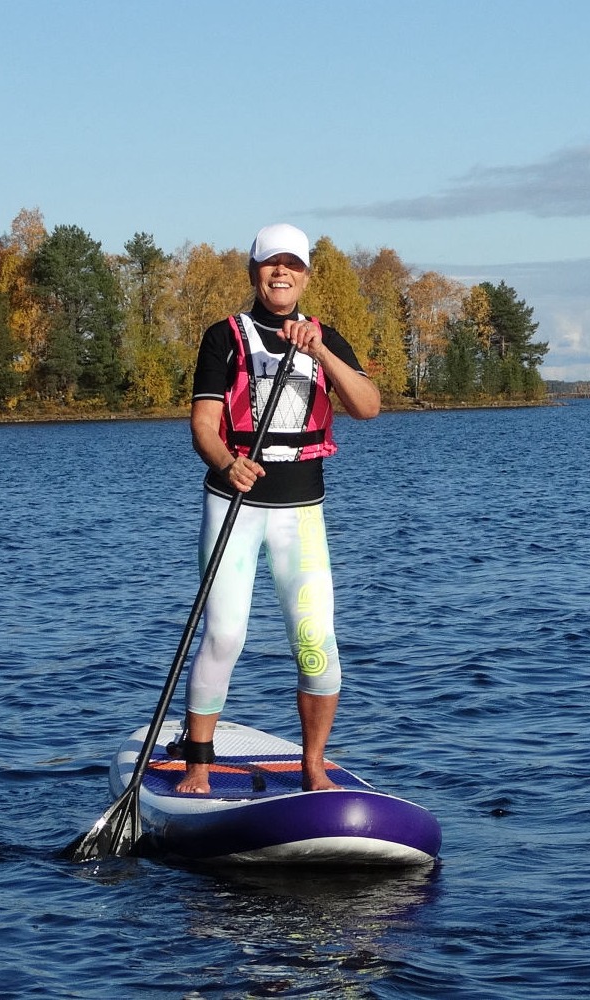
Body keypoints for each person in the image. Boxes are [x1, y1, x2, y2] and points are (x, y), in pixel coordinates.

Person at [175, 223, 381, 794]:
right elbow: (203, 427)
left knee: (317, 642)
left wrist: (321, 353)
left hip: (301, 513)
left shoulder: (326, 337)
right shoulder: (224, 337)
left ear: (307, 275)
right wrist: (226, 462)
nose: (281, 272)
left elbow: (368, 406)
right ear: (254, 271)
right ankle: (198, 767)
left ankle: (313, 768)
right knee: (225, 636)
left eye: (292, 264)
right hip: (235, 507)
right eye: (271, 263)